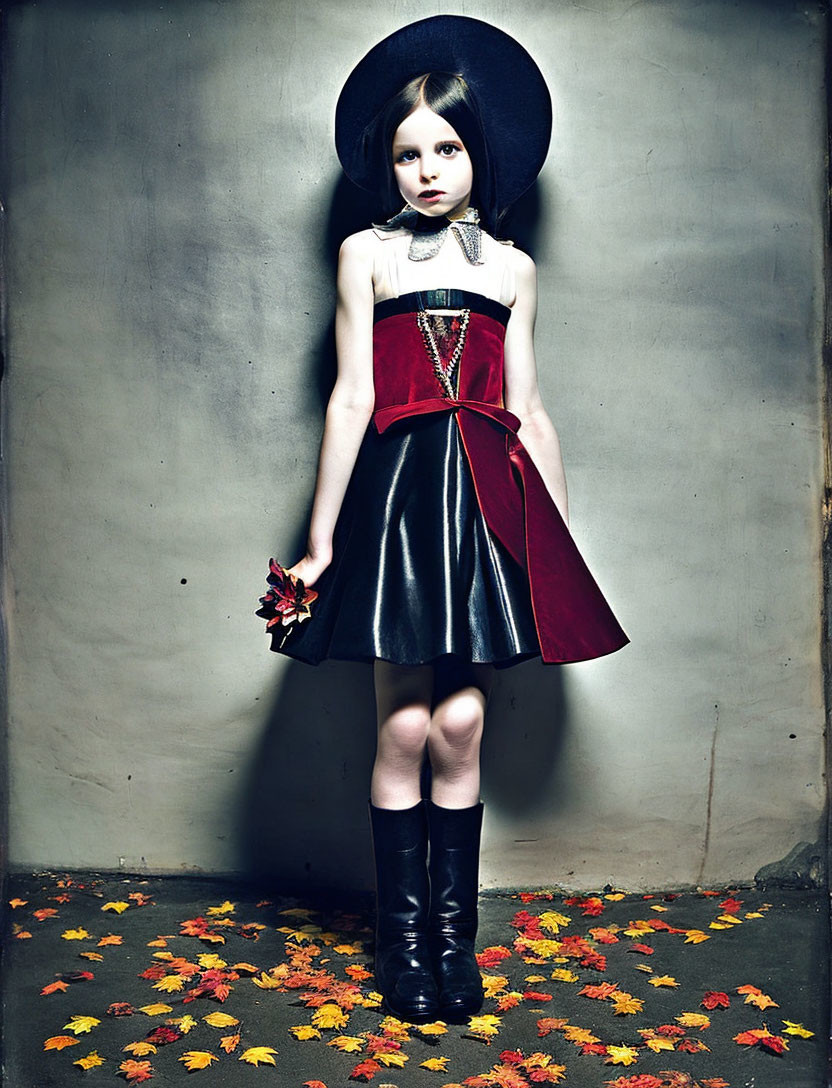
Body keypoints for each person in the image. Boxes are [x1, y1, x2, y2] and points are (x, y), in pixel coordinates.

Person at [261, 16, 628, 1024]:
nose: (427, 170)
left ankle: (453, 951)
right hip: (395, 501)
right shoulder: (363, 254)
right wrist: (323, 542)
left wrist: (551, 539)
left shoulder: (512, 268)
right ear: (388, 164)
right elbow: (347, 400)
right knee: (405, 718)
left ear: (479, 153)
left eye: (446, 148)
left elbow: (529, 409)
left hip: (481, 502)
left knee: (462, 720)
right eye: (407, 152)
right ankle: (405, 952)